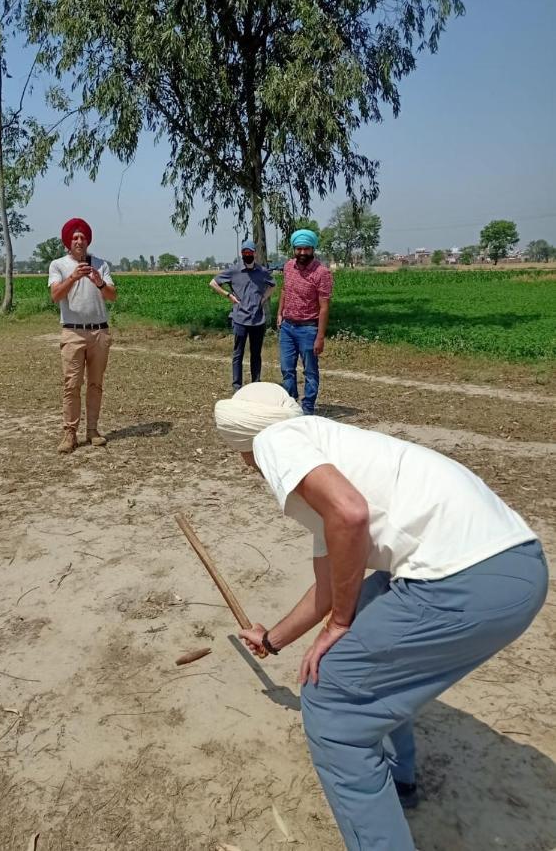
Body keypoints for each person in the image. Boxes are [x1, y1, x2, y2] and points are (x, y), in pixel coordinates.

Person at [213, 382, 547, 851]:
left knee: (332, 702)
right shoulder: (331, 454)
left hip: (466, 579)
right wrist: (273, 640)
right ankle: (397, 778)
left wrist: (339, 625)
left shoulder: (277, 439)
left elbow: (350, 516)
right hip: (515, 565)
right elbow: (331, 586)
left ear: (242, 444)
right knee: (366, 619)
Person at [48, 218, 117, 453]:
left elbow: (112, 296)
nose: (79, 241)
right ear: (68, 242)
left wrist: (99, 282)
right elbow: (55, 296)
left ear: (88, 240)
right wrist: (73, 277)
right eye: (75, 237)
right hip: (72, 332)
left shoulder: (100, 265)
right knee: (72, 385)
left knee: (96, 384)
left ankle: (93, 430)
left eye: (82, 237)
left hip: (99, 331)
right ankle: (69, 434)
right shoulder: (58, 265)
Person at [277, 229, 332, 414]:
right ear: (294, 249)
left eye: (306, 249)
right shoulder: (288, 266)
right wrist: (279, 313)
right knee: (286, 369)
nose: (302, 253)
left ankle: (308, 409)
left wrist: (320, 336)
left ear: (313, 249)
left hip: (308, 328)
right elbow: (284, 289)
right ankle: (292, 406)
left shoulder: (321, 273)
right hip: (287, 327)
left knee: (310, 371)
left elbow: (324, 306)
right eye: (299, 249)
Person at [210, 240, 275, 392]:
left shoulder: (262, 271)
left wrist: (264, 298)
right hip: (239, 318)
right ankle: (237, 386)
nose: (247, 255)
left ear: (254, 254)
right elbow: (213, 283)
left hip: (258, 320)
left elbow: (273, 285)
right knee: (238, 353)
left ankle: (256, 383)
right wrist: (228, 295)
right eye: (245, 252)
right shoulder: (234, 270)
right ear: (241, 254)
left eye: (250, 252)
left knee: (256, 353)